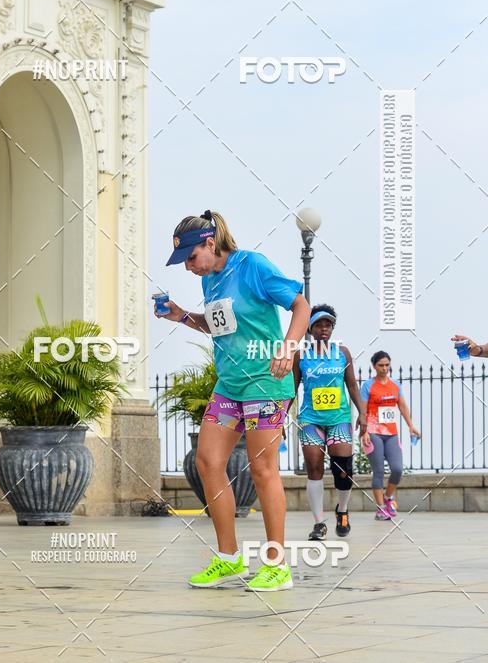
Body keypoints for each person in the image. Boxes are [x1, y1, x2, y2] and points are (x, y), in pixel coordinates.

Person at [154, 210, 309, 591]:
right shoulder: (210, 280)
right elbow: (217, 325)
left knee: (262, 470)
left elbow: (301, 305)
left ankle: (277, 565)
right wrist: (180, 316)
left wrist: (288, 348)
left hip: (266, 383)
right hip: (230, 385)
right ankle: (228, 558)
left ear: (210, 243)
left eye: (191, 258)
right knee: (207, 461)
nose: (189, 267)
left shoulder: (251, 265)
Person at [292, 304, 367, 541]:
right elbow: (291, 389)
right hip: (310, 419)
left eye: (328, 325)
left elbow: (352, 385)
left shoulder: (342, 352)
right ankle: (319, 523)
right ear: (310, 328)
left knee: (343, 470)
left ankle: (342, 510)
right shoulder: (301, 355)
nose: (324, 329)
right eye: (319, 325)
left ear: (333, 328)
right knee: (314, 468)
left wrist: (363, 414)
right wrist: (280, 418)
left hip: (339, 418)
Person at [360, 351, 421, 520]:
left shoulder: (395, 385)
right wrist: (364, 431)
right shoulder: (367, 386)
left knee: (397, 469)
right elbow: (362, 410)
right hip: (373, 432)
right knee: (378, 470)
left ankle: (388, 498)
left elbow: (402, 407)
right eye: (381, 365)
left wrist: (411, 426)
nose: (384, 368)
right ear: (374, 366)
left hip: (391, 433)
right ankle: (381, 509)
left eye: (387, 365)